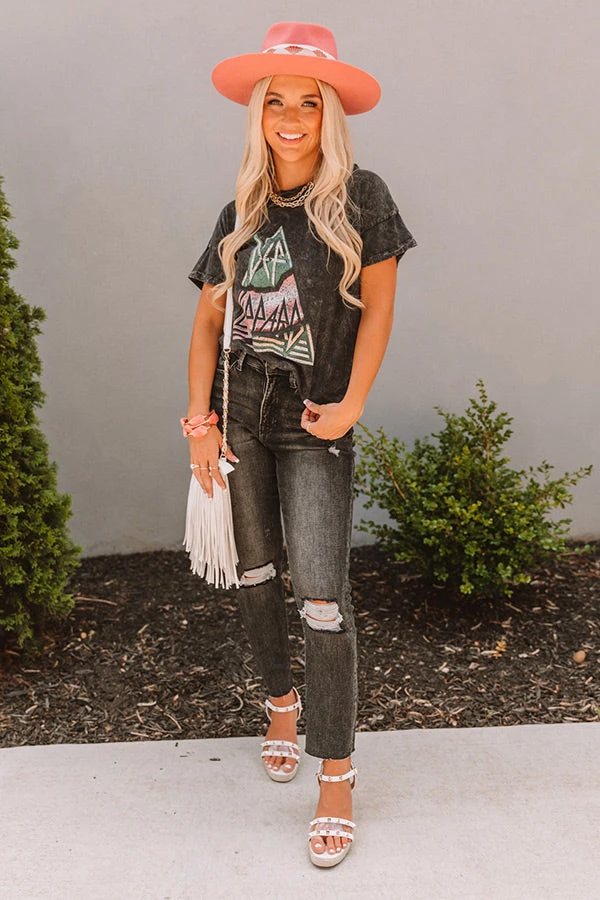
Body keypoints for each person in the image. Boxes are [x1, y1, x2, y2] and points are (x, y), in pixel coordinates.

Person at [185, 21, 416, 868]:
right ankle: (280, 703)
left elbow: (379, 309)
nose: (290, 118)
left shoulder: (363, 197)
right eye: (275, 102)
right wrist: (201, 423)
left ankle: (337, 772)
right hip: (240, 415)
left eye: (308, 103)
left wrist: (353, 402)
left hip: (316, 420)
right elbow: (206, 325)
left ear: (330, 114)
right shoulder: (241, 211)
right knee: (255, 576)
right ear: (258, 115)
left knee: (322, 596)